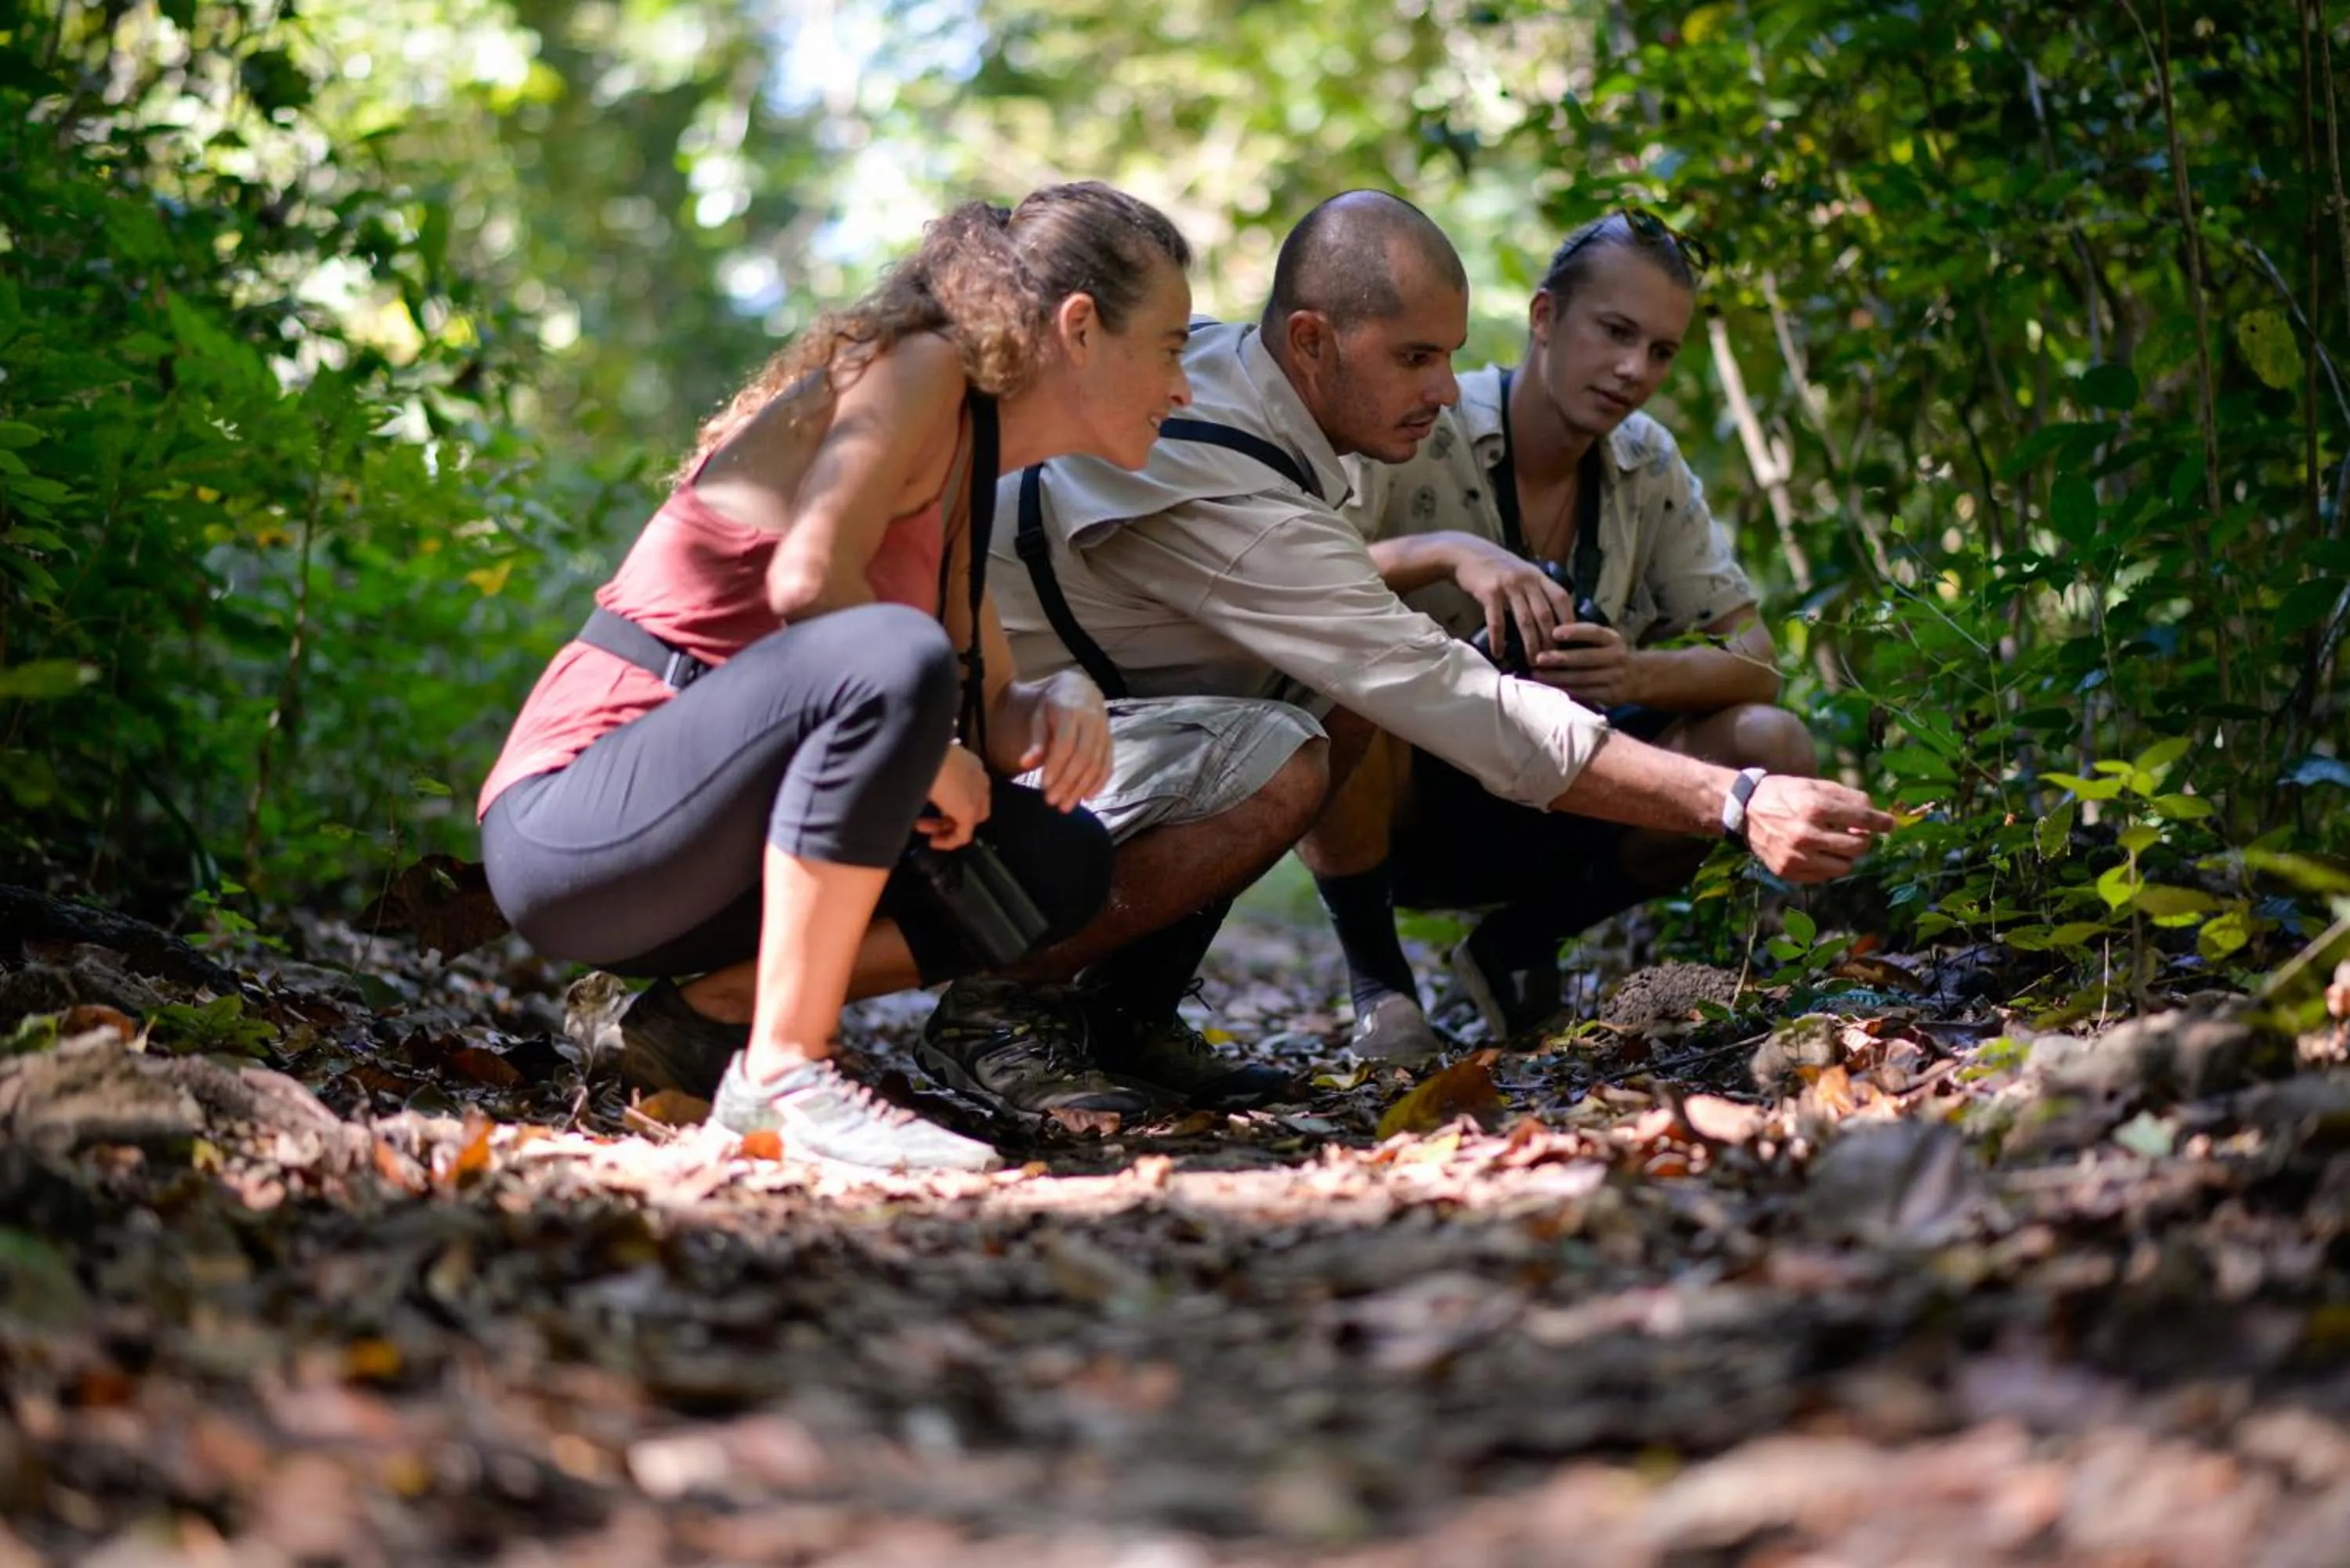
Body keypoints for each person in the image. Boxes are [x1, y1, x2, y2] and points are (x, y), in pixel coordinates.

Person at [924, 190, 1889, 1105]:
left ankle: (1124, 1011)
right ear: (1310, 340)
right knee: (1288, 751)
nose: (1442, 390)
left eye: (1452, 357)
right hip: (956, 767)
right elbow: (1435, 686)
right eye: (1416, 357)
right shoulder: (1219, 465)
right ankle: (998, 1010)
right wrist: (1738, 798)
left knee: (1300, 712)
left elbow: (1738, 648)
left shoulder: (1252, 392)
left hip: (1059, 729)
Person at [475, 183, 1197, 1172]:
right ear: (1079, 327)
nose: (1185, 387)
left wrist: (1061, 700)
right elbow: (812, 582)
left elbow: (987, 720)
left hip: (706, 854)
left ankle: (707, 1018)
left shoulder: (966, 473)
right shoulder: (920, 367)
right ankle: (786, 1070)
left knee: (1057, 860)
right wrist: (937, 744)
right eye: (1171, 346)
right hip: (577, 825)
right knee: (896, 657)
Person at [1321, 208, 1820, 1046]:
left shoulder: (1647, 462)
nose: (1634, 369)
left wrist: (1634, 676)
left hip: (1575, 781)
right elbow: (1294, 584)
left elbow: (1757, 661)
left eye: (1661, 350)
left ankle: (1518, 942)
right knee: (1328, 671)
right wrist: (1446, 553)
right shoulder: (1422, 423)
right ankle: (1381, 988)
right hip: (1410, 798)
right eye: (1615, 331)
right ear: (1545, 318)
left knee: (1774, 743)